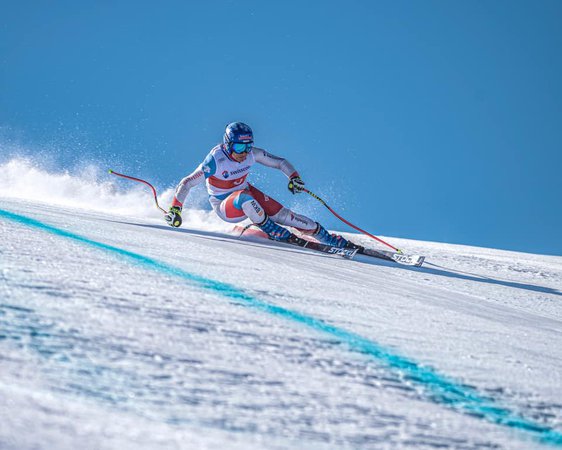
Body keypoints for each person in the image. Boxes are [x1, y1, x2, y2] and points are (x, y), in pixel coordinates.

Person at [165, 122, 352, 248]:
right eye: (239, 147)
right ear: (228, 144)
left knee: (285, 215)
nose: (244, 153)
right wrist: (175, 209)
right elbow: (187, 182)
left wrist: (293, 177)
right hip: (225, 206)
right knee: (245, 198)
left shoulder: (252, 154)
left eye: (247, 147)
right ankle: (274, 231)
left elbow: (280, 162)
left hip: (245, 193)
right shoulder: (215, 160)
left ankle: (328, 239)